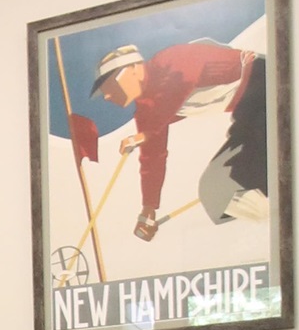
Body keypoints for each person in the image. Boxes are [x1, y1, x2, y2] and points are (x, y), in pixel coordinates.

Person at [91, 38, 269, 242]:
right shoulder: (147, 110)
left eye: (109, 83)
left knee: (219, 186)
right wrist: (148, 211)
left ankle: (271, 221)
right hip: (251, 111)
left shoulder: (170, 61)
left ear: (134, 69)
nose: (106, 95)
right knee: (217, 195)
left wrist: (145, 135)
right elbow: (152, 159)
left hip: (264, 84)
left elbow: (181, 84)